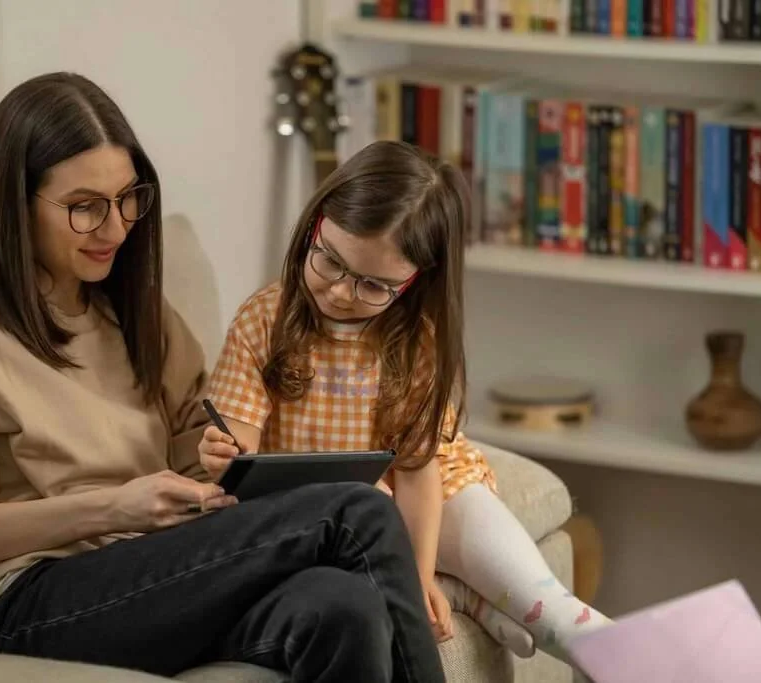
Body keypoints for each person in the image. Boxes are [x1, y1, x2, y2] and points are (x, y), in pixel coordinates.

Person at [0, 73, 445, 683]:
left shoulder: (137, 315)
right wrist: (112, 508)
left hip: (154, 579)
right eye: (85, 207)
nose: (116, 228)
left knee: (342, 607)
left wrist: (224, 463)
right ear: (17, 200)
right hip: (28, 601)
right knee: (355, 512)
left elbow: (200, 452)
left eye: (128, 198)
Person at [200, 140, 614, 663]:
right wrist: (224, 452)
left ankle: (640, 658)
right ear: (314, 226)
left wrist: (417, 581)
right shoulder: (264, 318)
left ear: (417, 281)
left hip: (433, 488)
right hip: (333, 508)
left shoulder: (416, 338)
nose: (341, 293)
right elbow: (243, 449)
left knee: (550, 609)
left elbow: (420, 474)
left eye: (374, 285)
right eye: (328, 260)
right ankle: (466, 596)